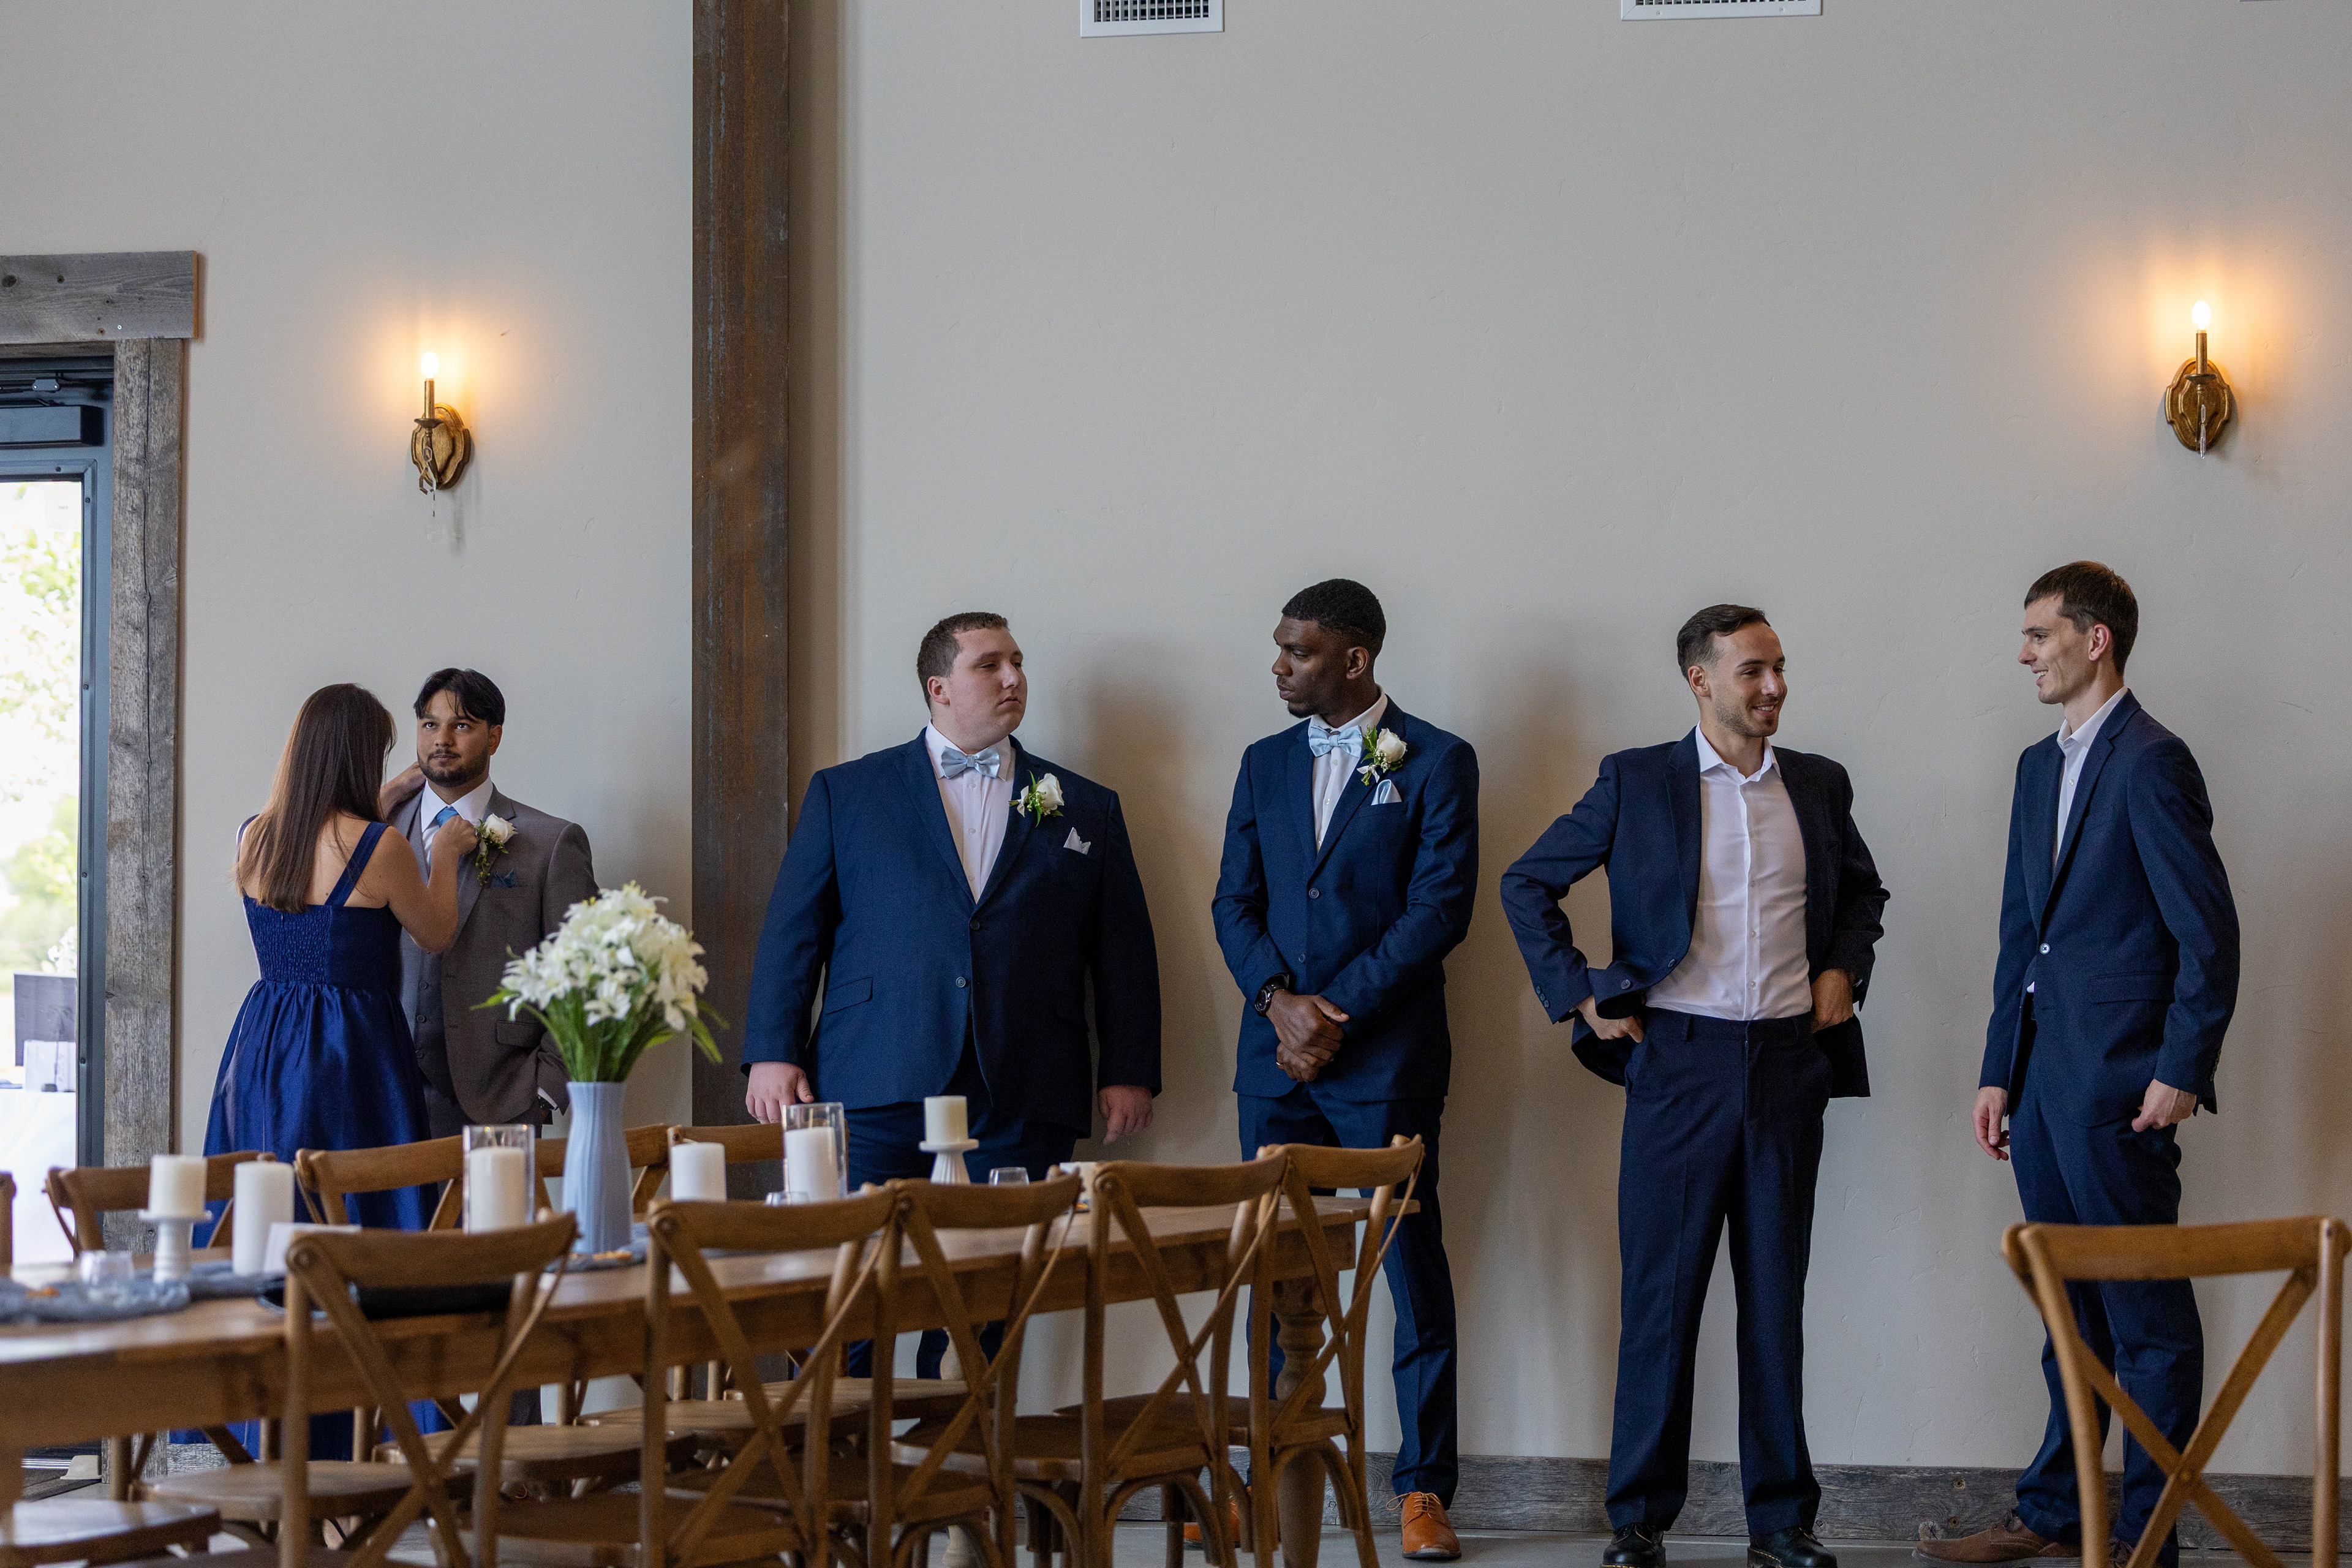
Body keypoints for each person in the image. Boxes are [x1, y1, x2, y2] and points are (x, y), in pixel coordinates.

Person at [1501, 606, 1888, 1568]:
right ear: (1700, 679)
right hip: (1677, 1065)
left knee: (1775, 1302)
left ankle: (1782, 1523)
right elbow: (1527, 882)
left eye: (1780, 667)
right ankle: (1638, 1520)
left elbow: (1863, 893)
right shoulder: (1637, 781)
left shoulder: (1819, 784)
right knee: (1661, 1301)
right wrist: (1582, 993)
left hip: (1789, 1064)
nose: (1774, 686)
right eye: (1752, 670)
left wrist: (1844, 968)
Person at [741, 611, 1161, 1374]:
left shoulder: (1085, 805)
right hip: (876, 1076)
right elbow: (793, 930)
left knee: (988, 1304)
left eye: (1018, 661)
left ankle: (962, 1447)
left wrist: (1128, 1067)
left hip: (1024, 1084)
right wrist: (773, 1049)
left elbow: (1122, 951)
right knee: (852, 1295)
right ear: (939, 687)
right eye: (990, 664)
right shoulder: (847, 792)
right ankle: (846, 1446)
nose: (1014, 677)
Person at [1921, 564, 2237, 1568]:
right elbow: (2023, 933)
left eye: (2039, 634)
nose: (2024, 653)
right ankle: (2058, 1513)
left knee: (2148, 1320)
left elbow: (2209, 934)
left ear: (2095, 639)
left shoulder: (2153, 761)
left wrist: (2181, 1067)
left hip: (2124, 1085)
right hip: (2042, 1084)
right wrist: (1997, 1069)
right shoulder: (2034, 768)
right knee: (2068, 1313)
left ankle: (2145, 1540)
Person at [1211, 578, 1477, 1563]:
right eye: (1281, 648)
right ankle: (1258, 1482)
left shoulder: (1440, 759)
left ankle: (1424, 1489)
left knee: (1410, 1269)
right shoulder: (1262, 762)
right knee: (1269, 1270)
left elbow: (1439, 909)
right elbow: (1233, 902)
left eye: (1300, 651)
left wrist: (1335, 1013)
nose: (1280, 665)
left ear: (1355, 659)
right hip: (1273, 1064)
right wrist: (1278, 1003)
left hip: (1386, 1062)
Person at [206, 682, 473, 1224]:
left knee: (274, 1180)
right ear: (361, 758)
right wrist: (445, 855)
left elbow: (321, 842)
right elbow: (436, 933)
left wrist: (387, 795)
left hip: (265, 1037)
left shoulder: (253, 836)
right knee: (354, 1189)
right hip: (351, 1043)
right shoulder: (381, 846)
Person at [380, 668, 599, 1137]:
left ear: (494, 736)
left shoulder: (552, 843)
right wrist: (381, 799)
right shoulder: (377, 833)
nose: (442, 740)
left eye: (461, 725)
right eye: (430, 724)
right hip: (382, 1096)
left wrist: (545, 1090)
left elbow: (584, 974)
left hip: (501, 1099)